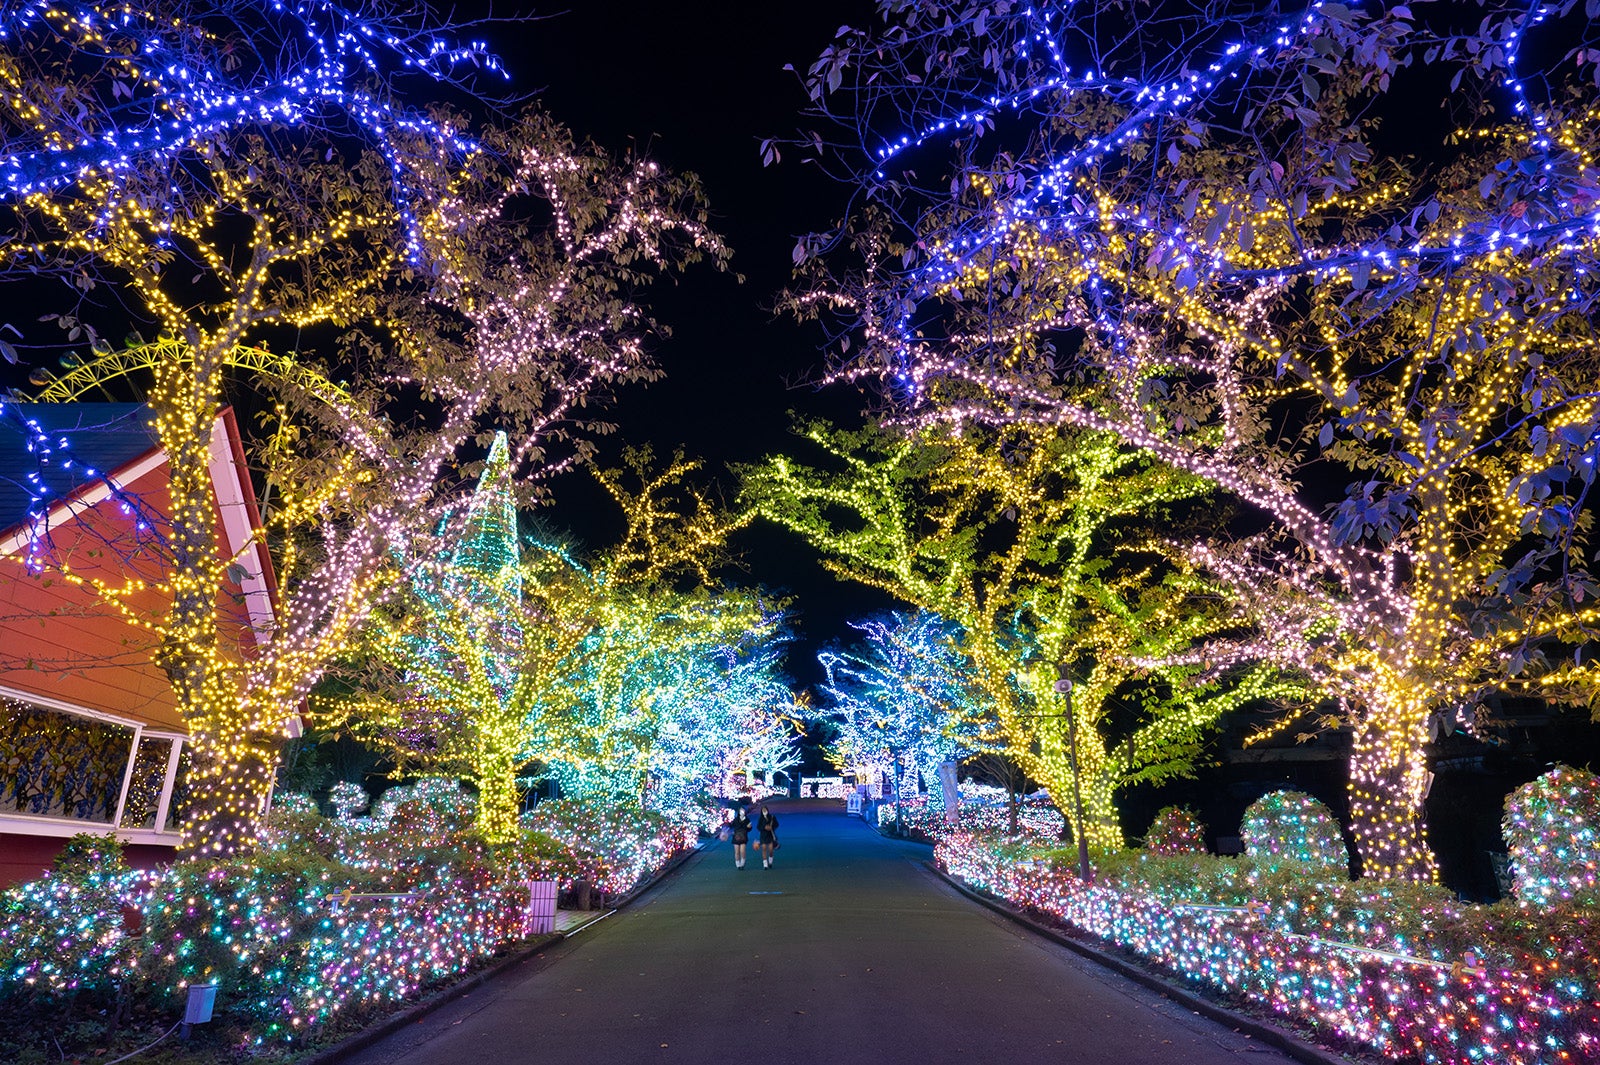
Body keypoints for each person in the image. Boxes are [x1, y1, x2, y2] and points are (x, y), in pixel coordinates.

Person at [756, 804, 779, 868]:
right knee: (764, 849)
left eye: (765, 810)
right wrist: (764, 827)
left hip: (770, 835)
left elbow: (776, 824)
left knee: (771, 850)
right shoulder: (760, 818)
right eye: (763, 810)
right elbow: (758, 827)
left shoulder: (772, 817)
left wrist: (771, 827)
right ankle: (765, 864)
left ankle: (770, 862)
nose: (764, 811)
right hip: (763, 835)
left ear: (767, 810)